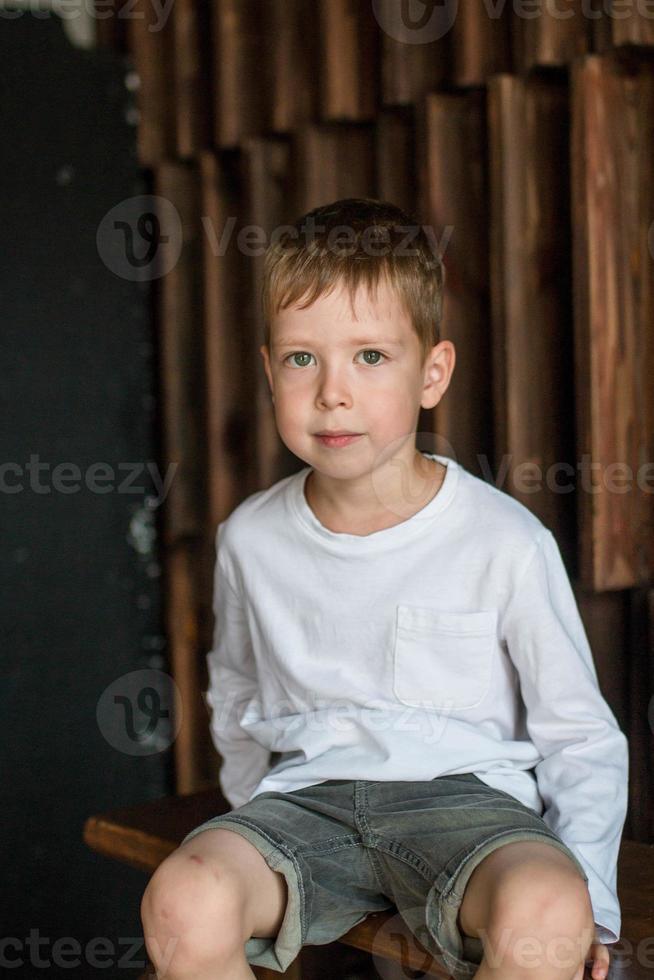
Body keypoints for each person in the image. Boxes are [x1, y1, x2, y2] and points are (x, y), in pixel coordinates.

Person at [140, 198, 628, 980]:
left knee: (547, 911)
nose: (333, 392)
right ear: (269, 369)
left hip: (470, 807)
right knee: (182, 899)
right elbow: (235, 698)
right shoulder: (250, 540)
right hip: (307, 801)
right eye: (303, 359)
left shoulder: (504, 541)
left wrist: (591, 903)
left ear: (432, 373)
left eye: (370, 357)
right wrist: (250, 823)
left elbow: (580, 737)